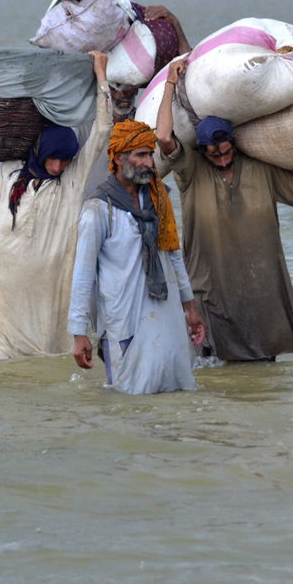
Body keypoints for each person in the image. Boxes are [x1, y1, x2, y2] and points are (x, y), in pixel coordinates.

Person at [152, 58, 293, 362]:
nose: (222, 159)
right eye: (214, 154)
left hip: (259, 286)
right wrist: (170, 83)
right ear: (201, 152)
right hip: (209, 284)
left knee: (262, 362)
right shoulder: (190, 170)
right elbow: (163, 137)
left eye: (226, 152)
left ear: (234, 144)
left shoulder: (261, 169)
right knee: (209, 362)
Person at [0, 50, 113, 360]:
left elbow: (103, 131)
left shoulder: (72, 179)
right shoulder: (11, 170)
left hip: (47, 281)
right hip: (0, 276)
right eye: (54, 158)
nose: (57, 166)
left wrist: (101, 77)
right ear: (41, 152)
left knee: (49, 351)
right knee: (1, 355)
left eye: (65, 160)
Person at [68, 119, 207, 394]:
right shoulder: (98, 209)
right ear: (118, 158)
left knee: (174, 393)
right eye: (140, 155)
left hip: (165, 315)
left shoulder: (159, 200)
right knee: (128, 402)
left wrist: (190, 308)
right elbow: (83, 274)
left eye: (150, 155)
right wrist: (79, 332)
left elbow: (174, 255)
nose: (148, 163)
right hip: (123, 321)